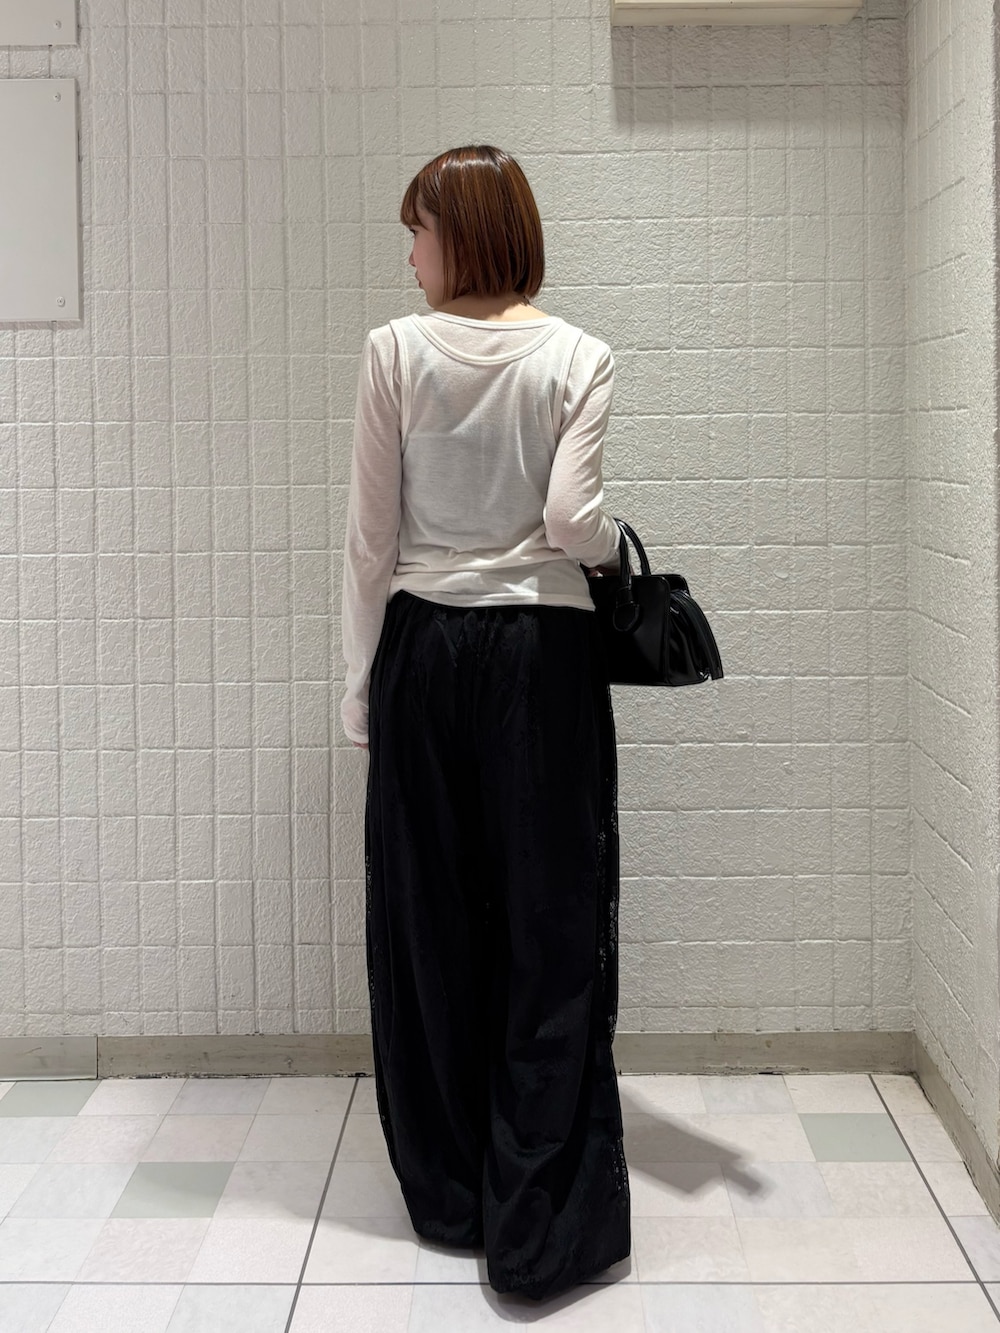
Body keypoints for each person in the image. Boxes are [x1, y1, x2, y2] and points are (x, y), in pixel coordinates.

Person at [340, 144, 631, 1302]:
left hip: (423, 651)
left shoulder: (393, 352)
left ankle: (451, 1193)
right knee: (551, 923)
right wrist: (611, 553)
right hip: (542, 657)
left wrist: (359, 682)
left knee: (429, 924)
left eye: (416, 230)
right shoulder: (578, 355)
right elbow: (573, 520)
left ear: (460, 234)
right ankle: (538, 1220)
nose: (408, 254)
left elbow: (371, 540)